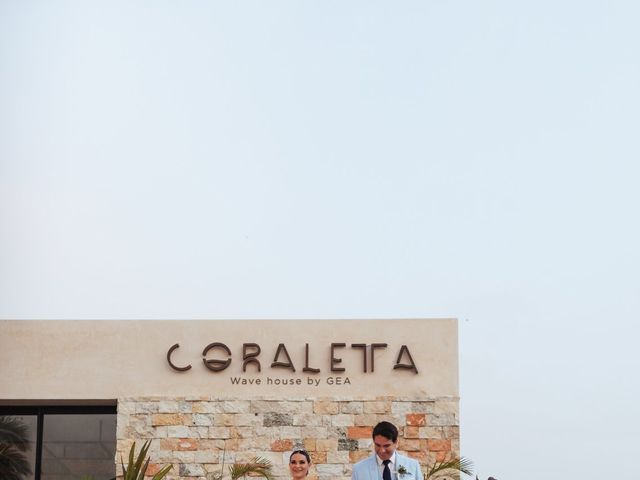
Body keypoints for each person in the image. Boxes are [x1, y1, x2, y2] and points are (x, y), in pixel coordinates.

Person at [351, 421, 422, 480]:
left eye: (386, 446)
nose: (382, 451)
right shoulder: (358, 469)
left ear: (396, 442)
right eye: (378, 445)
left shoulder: (413, 466)